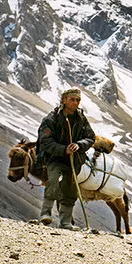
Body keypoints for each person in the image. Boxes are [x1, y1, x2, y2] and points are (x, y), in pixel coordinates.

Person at [36, 88, 96, 230]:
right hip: (54, 158)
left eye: (78, 100)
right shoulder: (52, 118)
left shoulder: (81, 119)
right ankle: (45, 214)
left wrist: (79, 145)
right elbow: (45, 140)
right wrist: (63, 149)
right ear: (64, 100)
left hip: (74, 160)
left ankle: (65, 222)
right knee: (53, 181)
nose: (75, 103)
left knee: (70, 189)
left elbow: (91, 137)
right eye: (72, 99)